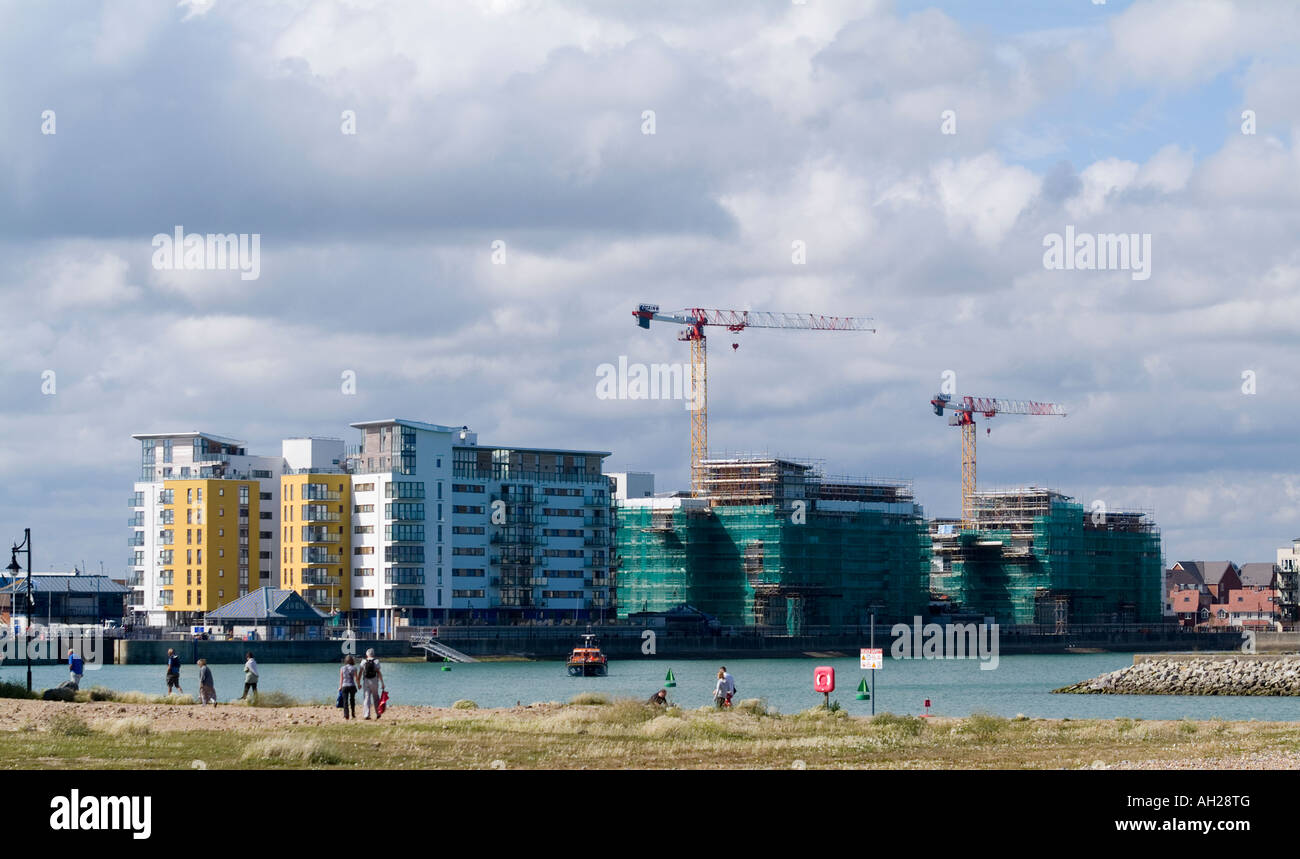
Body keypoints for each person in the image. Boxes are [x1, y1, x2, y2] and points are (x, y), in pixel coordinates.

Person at [359, 648, 385, 720]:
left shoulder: (363, 661)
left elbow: (360, 672)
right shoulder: (376, 661)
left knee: (366, 697)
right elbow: (379, 673)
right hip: (374, 681)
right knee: (376, 697)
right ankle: (378, 713)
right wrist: (382, 683)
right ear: (373, 654)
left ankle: (366, 714)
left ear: (367, 654)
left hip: (366, 681)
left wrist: (358, 682)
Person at [338, 654, 358, 720]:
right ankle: (353, 714)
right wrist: (359, 685)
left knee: (345, 701)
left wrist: (340, 687)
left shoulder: (342, 668)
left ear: (345, 661)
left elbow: (341, 678)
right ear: (352, 660)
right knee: (352, 700)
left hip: (344, 686)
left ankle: (346, 715)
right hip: (352, 685)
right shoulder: (354, 668)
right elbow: (356, 678)